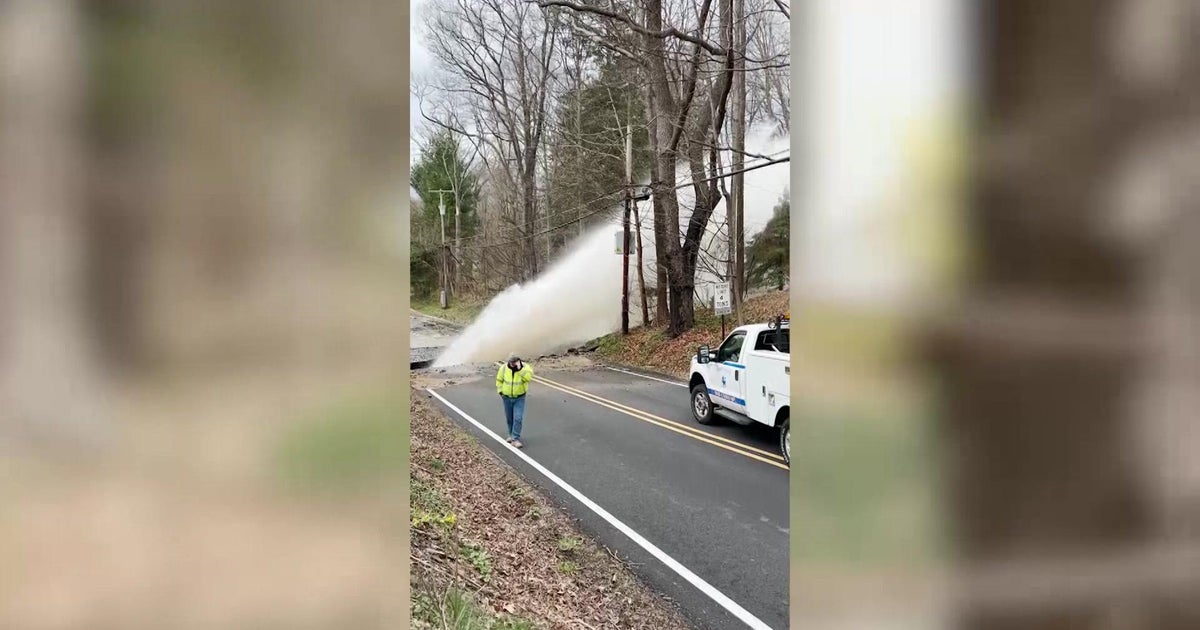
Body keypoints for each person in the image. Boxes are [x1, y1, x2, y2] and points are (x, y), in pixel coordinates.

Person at [496, 353, 533, 448]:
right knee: (509, 418)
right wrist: (500, 392)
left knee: (518, 418)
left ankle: (515, 438)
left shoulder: (525, 368)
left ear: (518, 361)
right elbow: (499, 380)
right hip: (507, 397)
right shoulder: (503, 368)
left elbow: (528, 378)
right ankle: (511, 434)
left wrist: (520, 370)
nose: (512, 364)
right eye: (511, 362)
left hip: (519, 397)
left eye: (514, 362)